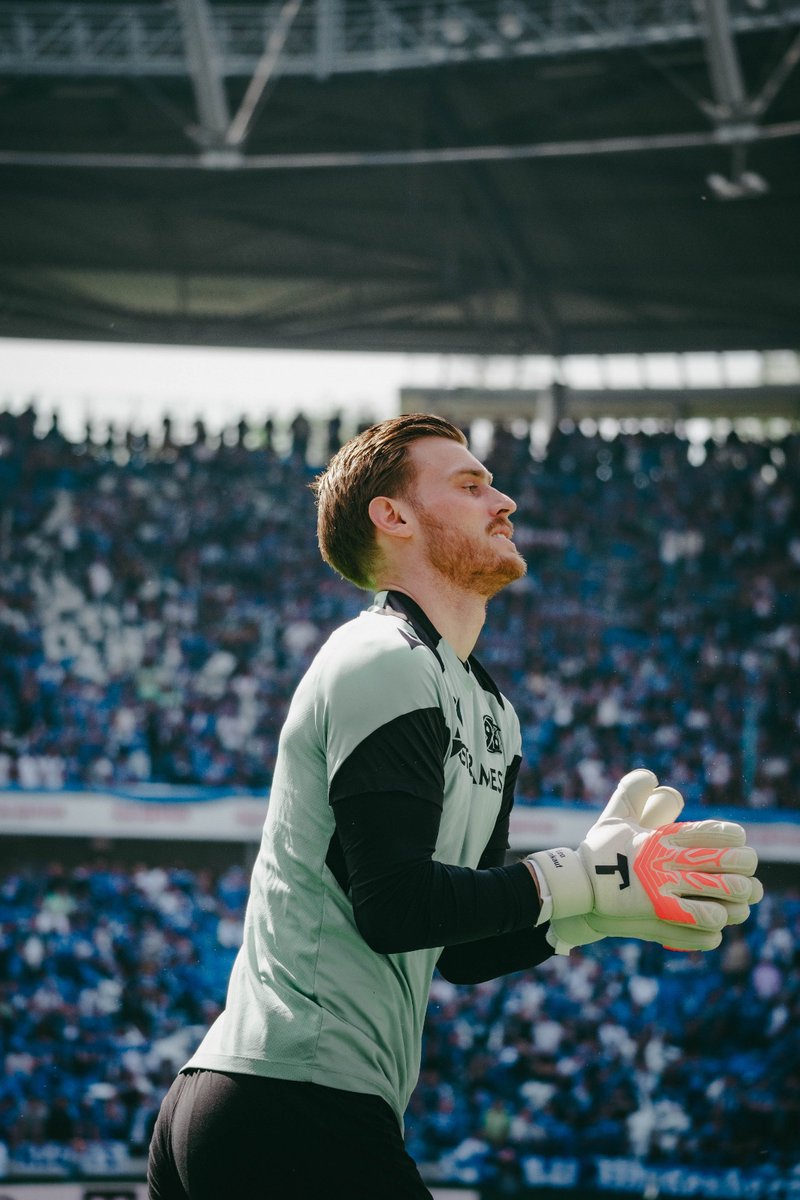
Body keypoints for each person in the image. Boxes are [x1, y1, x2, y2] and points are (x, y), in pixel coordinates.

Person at [147, 413, 763, 1199]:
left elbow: (459, 948)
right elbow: (396, 907)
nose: (502, 501)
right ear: (393, 516)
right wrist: (578, 875)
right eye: (471, 485)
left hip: (285, 1103)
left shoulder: (492, 711)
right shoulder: (380, 657)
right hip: (290, 1097)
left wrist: (592, 913)